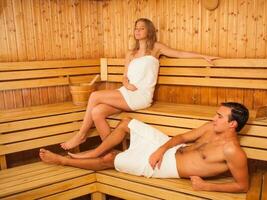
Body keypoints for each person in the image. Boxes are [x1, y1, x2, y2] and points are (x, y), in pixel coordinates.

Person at [60, 18, 218, 150]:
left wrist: (203, 56)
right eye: (136, 28)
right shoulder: (130, 53)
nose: (137, 31)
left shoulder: (156, 48)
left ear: (149, 31)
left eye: (141, 28)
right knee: (97, 112)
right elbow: (124, 76)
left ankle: (81, 135)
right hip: (127, 91)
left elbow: (179, 53)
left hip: (141, 96)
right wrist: (126, 83)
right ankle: (110, 152)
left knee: (94, 96)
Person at [40, 102, 249, 192]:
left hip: (168, 168)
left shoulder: (232, 151)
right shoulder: (211, 128)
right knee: (126, 123)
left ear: (232, 124)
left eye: (219, 116)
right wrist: (161, 149)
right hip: (167, 150)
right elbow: (182, 136)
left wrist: (207, 186)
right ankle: (93, 151)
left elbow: (242, 186)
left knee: (110, 159)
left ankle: (63, 160)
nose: (214, 118)